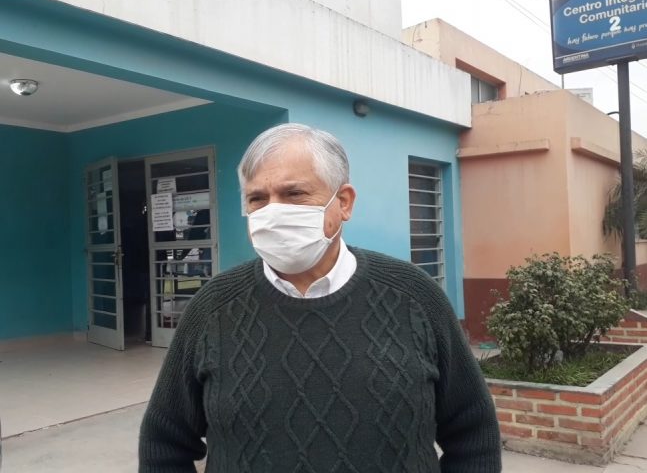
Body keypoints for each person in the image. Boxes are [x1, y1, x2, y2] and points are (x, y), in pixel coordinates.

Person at [139, 123, 502, 472]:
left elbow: (472, 432)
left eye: (294, 194)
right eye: (257, 198)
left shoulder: (415, 297)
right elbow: (164, 443)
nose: (272, 212)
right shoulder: (213, 308)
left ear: (343, 202)